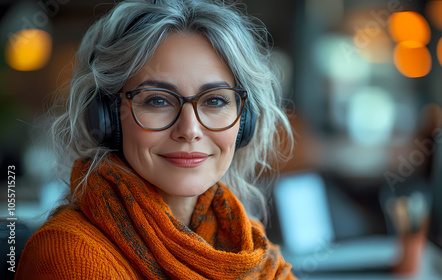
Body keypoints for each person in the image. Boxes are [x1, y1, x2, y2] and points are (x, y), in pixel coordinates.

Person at [15, 0, 295, 279]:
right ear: (106, 117)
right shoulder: (70, 255)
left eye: (216, 100)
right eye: (158, 101)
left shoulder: (251, 247)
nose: (190, 129)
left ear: (245, 121)